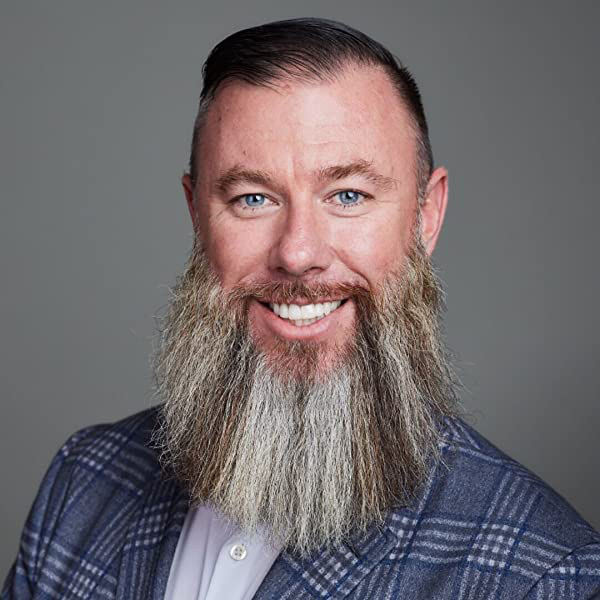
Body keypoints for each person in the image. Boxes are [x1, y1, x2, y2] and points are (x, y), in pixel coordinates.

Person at [3, 17, 600, 600]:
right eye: (253, 198)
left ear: (426, 216)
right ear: (196, 215)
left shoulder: (542, 577)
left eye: (348, 195)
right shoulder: (84, 480)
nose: (297, 253)